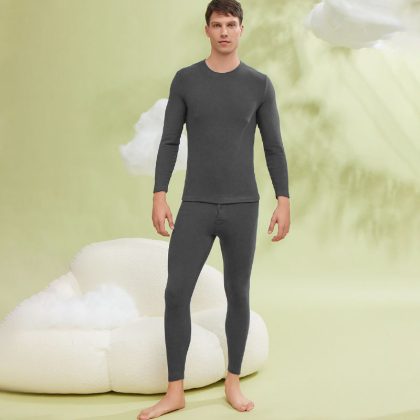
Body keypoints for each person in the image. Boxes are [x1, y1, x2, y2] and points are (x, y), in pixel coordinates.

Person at [138, 0, 290, 418]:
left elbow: (273, 147)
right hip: (196, 205)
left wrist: (283, 198)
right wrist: (159, 193)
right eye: (217, 24)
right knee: (175, 293)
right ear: (206, 30)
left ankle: (232, 382)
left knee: (238, 293)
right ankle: (175, 391)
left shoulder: (259, 84)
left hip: (243, 205)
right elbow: (170, 140)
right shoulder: (186, 80)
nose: (224, 31)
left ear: (241, 29)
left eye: (231, 24)